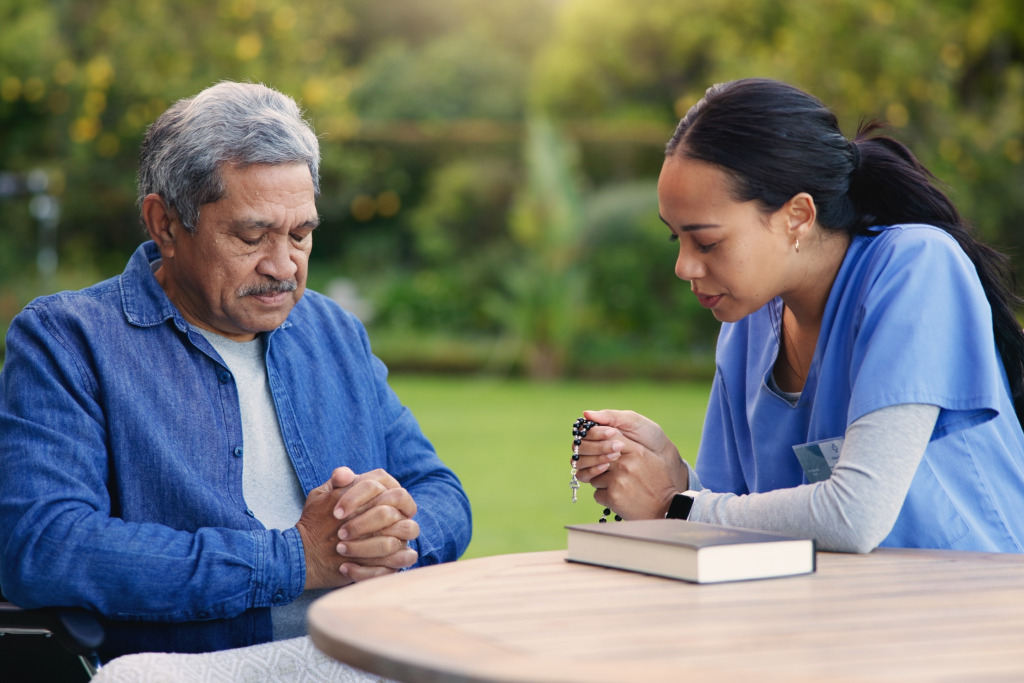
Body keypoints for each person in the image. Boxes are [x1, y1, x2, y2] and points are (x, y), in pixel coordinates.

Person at [0, 81, 472, 663]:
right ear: (165, 224)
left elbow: (443, 495)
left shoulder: (334, 332)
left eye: (302, 235)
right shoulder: (68, 340)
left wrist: (387, 537)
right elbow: (44, 547)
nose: (283, 266)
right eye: (252, 236)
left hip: (365, 655)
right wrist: (296, 559)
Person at [572, 78, 1024, 553]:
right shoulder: (746, 324)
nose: (684, 266)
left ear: (798, 216)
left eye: (706, 241)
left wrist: (673, 505)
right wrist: (671, 471)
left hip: (980, 607)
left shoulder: (915, 268)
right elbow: (732, 511)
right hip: (846, 613)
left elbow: (854, 515)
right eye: (676, 239)